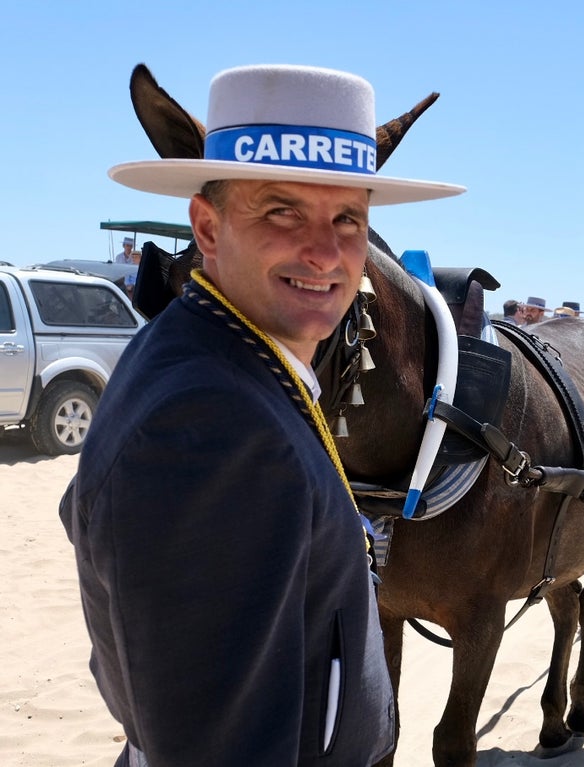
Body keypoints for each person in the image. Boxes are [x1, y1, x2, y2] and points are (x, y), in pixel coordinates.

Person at [58, 63, 463, 766]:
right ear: (207, 228)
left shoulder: (219, 353)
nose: (325, 251)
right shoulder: (211, 427)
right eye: (282, 210)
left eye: (348, 218)